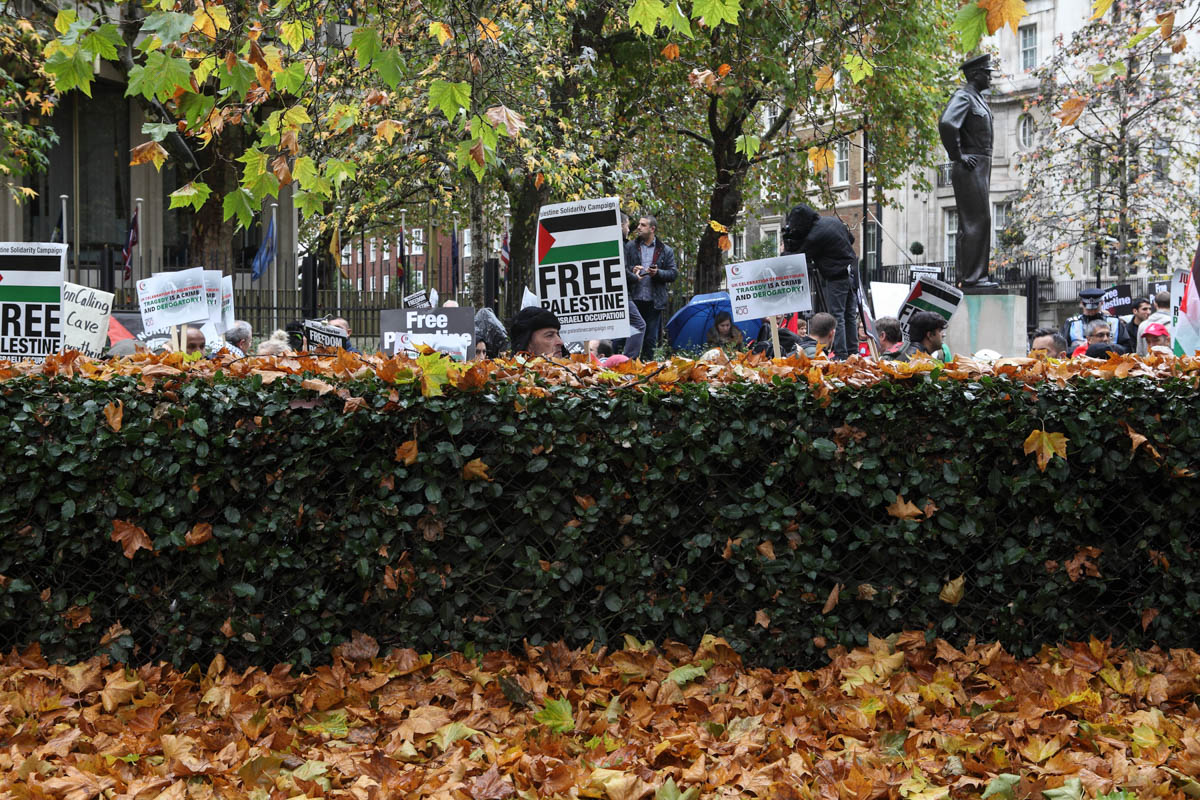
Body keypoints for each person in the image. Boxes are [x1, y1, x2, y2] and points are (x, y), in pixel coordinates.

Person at [938, 54, 998, 288]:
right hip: (971, 165)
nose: (990, 77)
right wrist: (958, 155)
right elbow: (947, 123)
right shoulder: (964, 96)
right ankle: (973, 278)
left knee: (978, 220)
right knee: (976, 220)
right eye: (987, 72)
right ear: (975, 75)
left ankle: (972, 276)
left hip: (981, 165)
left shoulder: (976, 98)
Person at [780, 204, 858, 359]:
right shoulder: (833, 221)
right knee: (849, 314)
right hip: (852, 271)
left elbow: (799, 257)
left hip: (836, 276)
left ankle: (841, 354)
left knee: (837, 316)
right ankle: (853, 351)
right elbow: (852, 238)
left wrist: (786, 251)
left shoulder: (815, 236)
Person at [624, 215, 678, 360]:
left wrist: (658, 273)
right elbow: (622, 269)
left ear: (652, 229)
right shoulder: (630, 246)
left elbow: (673, 273)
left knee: (650, 340)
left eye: (643, 225)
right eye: (639, 225)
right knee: (631, 336)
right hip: (634, 298)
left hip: (654, 301)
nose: (638, 228)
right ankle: (629, 365)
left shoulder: (665, 250)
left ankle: (646, 368)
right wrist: (632, 269)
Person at [612, 212, 648, 359]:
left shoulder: (612, 243)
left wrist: (630, 271)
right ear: (621, 225)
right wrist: (635, 277)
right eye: (627, 225)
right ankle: (627, 361)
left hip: (613, 293)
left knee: (614, 330)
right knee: (639, 325)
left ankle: (609, 359)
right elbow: (621, 271)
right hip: (621, 294)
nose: (628, 229)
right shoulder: (620, 244)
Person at [1061, 288, 1129, 351]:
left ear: (1102, 303)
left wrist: (1109, 347)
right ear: (1082, 304)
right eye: (1089, 308)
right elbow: (1062, 349)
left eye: (1095, 308)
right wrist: (1081, 348)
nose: (1092, 311)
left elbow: (1127, 348)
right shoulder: (1072, 323)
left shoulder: (1115, 322)